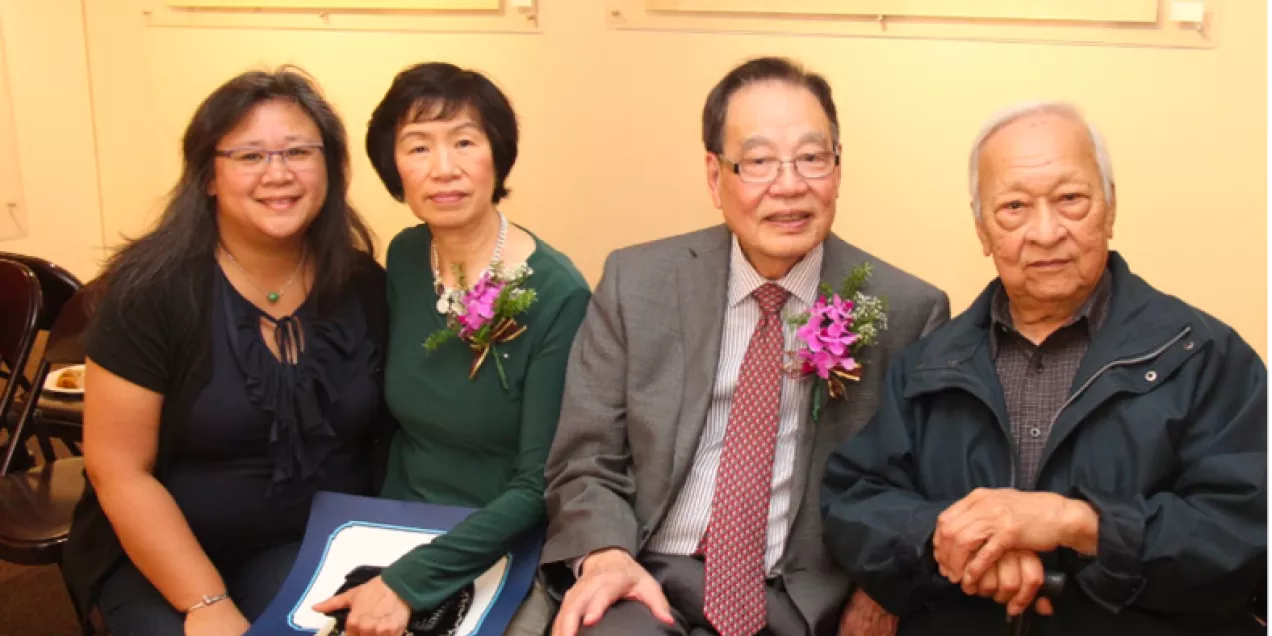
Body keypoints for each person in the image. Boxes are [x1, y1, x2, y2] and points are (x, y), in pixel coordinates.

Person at [821, 101, 1270, 635]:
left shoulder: (1202, 355)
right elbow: (858, 502)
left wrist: (1077, 524)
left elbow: (1243, 535)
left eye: (1070, 199)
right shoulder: (929, 365)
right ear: (982, 230)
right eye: (1013, 207)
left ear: (1110, 207)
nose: (1046, 231)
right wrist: (954, 539)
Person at [541, 56, 949, 636]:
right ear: (715, 177)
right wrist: (606, 555)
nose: (789, 185)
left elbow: (919, 488)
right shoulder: (638, 282)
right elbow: (586, 456)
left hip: (800, 595)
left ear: (838, 168)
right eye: (758, 161)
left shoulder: (907, 310)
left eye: (812, 157)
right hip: (647, 573)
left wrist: (883, 591)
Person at [62, 68, 390, 635]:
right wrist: (206, 603)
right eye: (249, 157)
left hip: (309, 544)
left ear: (331, 171)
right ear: (208, 177)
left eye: (298, 152)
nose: (278, 174)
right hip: (160, 552)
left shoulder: (362, 283)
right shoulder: (151, 290)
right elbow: (117, 469)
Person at [312, 62, 591, 636]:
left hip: (500, 538)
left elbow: (538, 485)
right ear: (394, 169)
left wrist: (409, 582)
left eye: (464, 141)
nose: (443, 169)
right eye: (417, 147)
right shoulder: (408, 256)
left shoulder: (558, 294)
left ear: (497, 155)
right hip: (389, 525)